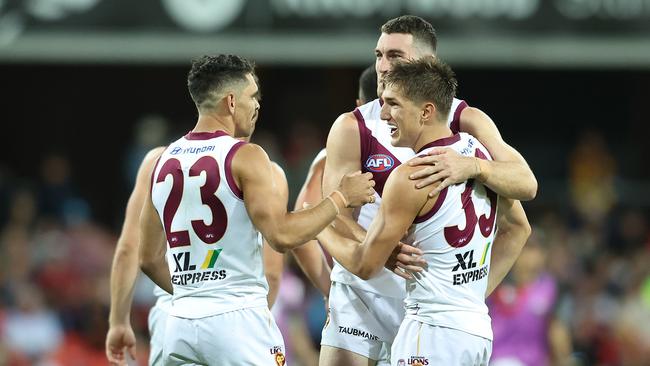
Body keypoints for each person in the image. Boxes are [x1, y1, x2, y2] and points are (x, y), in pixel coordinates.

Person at [319, 15, 534, 366]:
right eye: (379, 55)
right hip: (366, 294)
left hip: (427, 302)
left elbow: (526, 183)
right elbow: (338, 215)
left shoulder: (467, 122)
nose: (382, 67)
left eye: (395, 57)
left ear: (428, 65)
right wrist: (379, 249)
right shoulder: (352, 126)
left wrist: (475, 167)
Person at [138, 54, 375, 366]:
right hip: (236, 323)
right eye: (253, 96)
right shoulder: (245, 155)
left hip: (178, 323)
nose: (258, 105)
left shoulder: (161, 161)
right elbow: (281, 236)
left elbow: (148, 258)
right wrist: (340, 198)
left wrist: (196, 292)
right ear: (232, 102)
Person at [106, 146, 287, 365]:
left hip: (173, 318)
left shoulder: (159, 161)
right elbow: (272, 274)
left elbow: (130, 249)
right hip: (236, 317)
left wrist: (118, 321)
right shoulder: (267, 171)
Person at [489, 230, 574, 366]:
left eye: (533, 250)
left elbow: (558, 334)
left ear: (543, 255)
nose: (527, 256)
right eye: (523, 249)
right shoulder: (494, 282)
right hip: (495, 360)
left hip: (532, 362)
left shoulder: (551, 289)